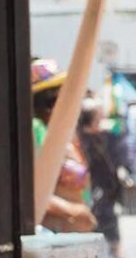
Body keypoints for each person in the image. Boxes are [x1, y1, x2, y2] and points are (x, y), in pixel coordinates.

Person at [31, 59, 96, 234]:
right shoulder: (35, 132)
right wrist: (71, 211)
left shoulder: (66, 134)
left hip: (76, 236)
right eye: (57, 98)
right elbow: (27, 193)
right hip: (53, 236)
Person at [78, 98, 129, 258]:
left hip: (108, 186)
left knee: (109, 217)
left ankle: (116, 250)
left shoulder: (106, 136)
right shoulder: (81, 140)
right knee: (95, 218)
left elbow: (116, 157)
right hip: (91, 187)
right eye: (98, 115)